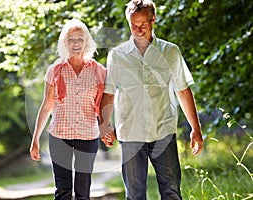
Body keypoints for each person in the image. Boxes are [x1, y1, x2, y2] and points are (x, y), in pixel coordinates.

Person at [99, 0, 204, 199]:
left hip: (163, 131)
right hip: (131, 134)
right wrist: (104, 124)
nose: (138, 31)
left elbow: (183, 90)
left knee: (171, 192)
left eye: (143, 25)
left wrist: (195, 128)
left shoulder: (170, 51)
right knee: (135, 195)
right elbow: (109, 94)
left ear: (153, 20)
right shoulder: (117, 55)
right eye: (133, 26)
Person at [30, 19, 106, 200]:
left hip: (88, 135)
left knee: (83, 191)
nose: (76, 43)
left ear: (86, 41)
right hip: (59, 135)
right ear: (65, 42)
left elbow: (104, 106)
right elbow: (47, 105)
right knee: (63, 191)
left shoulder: (99, 71)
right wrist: (35, 139)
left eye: (80, 38)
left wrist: (106, 128)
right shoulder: (55, 70)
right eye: (71, 39)